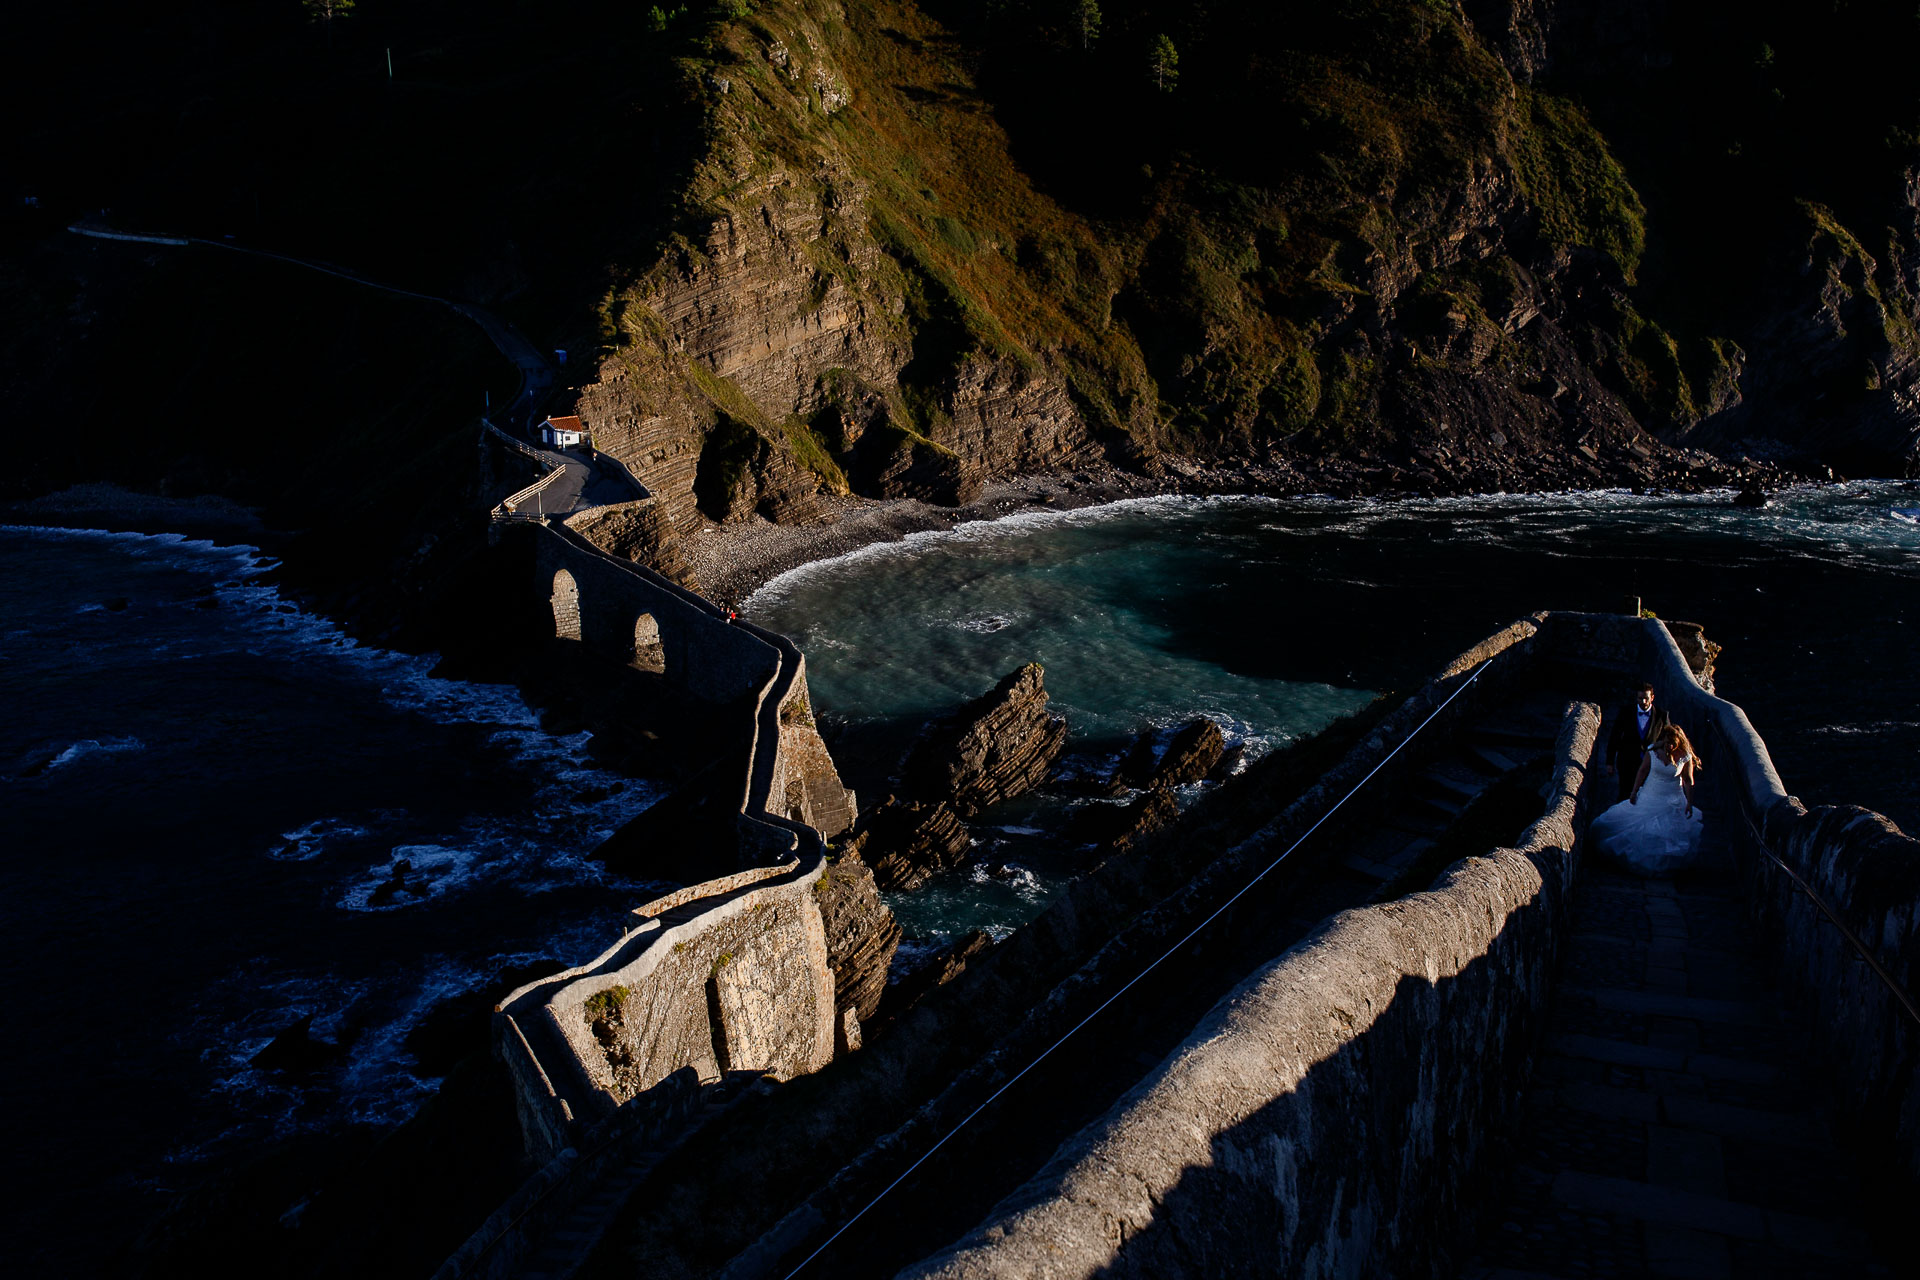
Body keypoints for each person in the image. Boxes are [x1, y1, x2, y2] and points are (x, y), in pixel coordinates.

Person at [1590, 723, 1704, 874]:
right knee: (1634, 826)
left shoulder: (1685, 756)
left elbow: (1689, 781)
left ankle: (1663, 867)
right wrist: (1634, 792)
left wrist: (1689, 803)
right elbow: (1642, 771)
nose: (1669, 746)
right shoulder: (1653, 751)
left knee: (1666, 834)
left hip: (1672, 799)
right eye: (1667, 742)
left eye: (1673, 744)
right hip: (1650, 794)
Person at [1605, 682, 1670, 803]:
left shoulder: (1662, 715)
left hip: (1651, 763)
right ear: (1636, 698)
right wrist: (1610, 762)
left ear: (1652, 697)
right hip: (1626, 761)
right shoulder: (1625, 712)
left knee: (1646, 795)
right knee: (1624, 793)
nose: (1643, 702)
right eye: (1640, 698)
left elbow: (1668, 738)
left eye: (1646, 698)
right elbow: (1615, 736)